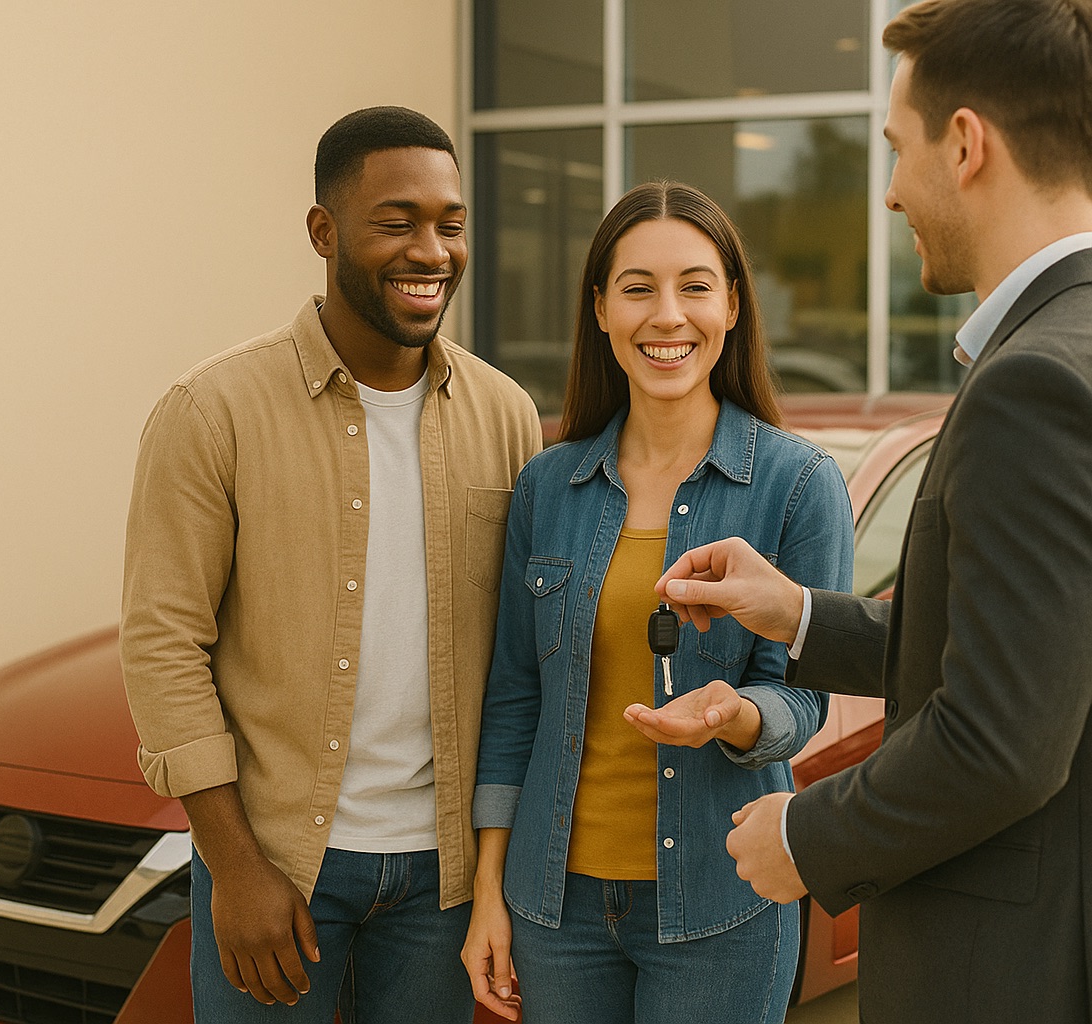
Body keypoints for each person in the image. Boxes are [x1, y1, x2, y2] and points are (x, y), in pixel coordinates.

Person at [656, 1, 1092, 1021]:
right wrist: (797, 612)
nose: (891, 192)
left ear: (967, 143)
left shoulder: (1033, 383)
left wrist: (805, 836)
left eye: (897, 150)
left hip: (1007, 969)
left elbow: (1002, 741)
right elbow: (1033, 644)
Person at [119, 105, 542, 1024]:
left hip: (444, 882)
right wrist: (234, 868)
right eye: (397, 221)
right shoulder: (212, 411)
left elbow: (520, 660)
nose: (431, 250)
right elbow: (163, 648)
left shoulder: (506, 415)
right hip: (279, 867)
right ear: (325, 231)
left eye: (451, 224)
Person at [461, 180, 853, 1024]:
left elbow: (804, 699)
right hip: (552, 906)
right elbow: (514, 702)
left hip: (722, 902)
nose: (667, 316)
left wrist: (734, 715)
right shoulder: (546, 485)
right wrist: (488, 891)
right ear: (601, 309)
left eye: (695, 286)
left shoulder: (798, 486)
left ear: (734, 306)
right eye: (637, 288)